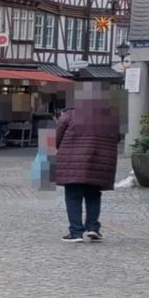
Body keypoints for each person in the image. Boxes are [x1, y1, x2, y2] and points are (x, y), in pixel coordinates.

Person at [53, 100, 121, 242]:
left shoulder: (69, 114)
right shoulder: (110, 118)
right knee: (94, 194)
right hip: (99, 162)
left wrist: (61, 147)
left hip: (73, 162)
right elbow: (116, 138)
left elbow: (57, 136)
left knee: (73, 196)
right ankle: (93, 228)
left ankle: (76, 232)